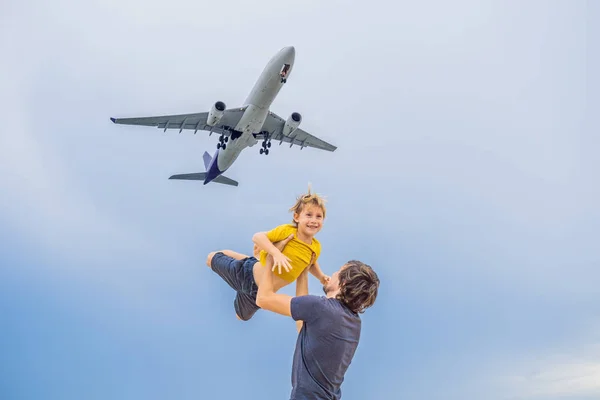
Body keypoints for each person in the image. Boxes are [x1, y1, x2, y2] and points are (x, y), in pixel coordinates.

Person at [256, 236, 380, 400]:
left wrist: (271, 256)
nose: (333, 273)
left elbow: (263, 299)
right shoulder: (352, 322)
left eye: (338, 271)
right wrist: (303, 272)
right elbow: (304, 326)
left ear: (343, 282)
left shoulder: (321, 308)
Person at [205, 187, 330, 321]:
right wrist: (276, 253)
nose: (314, 220)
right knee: (211, 258)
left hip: (258, 293)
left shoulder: (316, 247)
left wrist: (321, 277)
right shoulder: (288, 231)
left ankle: (251, 261)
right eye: (309, 215)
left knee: (241, 317)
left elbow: (310, 263)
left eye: (319, 216)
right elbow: (257, 237)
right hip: (245, 273)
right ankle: (240, 259)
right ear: (296, 217)